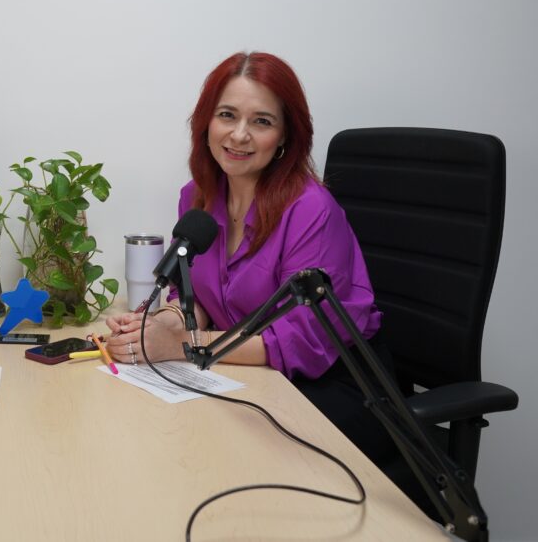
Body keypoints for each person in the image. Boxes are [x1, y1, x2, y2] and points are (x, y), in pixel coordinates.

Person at [104, 51, 395, 462]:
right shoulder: (197, 198)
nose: (239, 135)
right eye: (227, 115)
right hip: (247, 372)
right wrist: (159, 323)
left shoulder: (310, 209)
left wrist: (179, 344)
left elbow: (302, 341)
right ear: (206, 123)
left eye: (261, 121)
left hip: (335, 385)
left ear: (284, 136)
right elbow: (195, 293)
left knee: (228, 451)